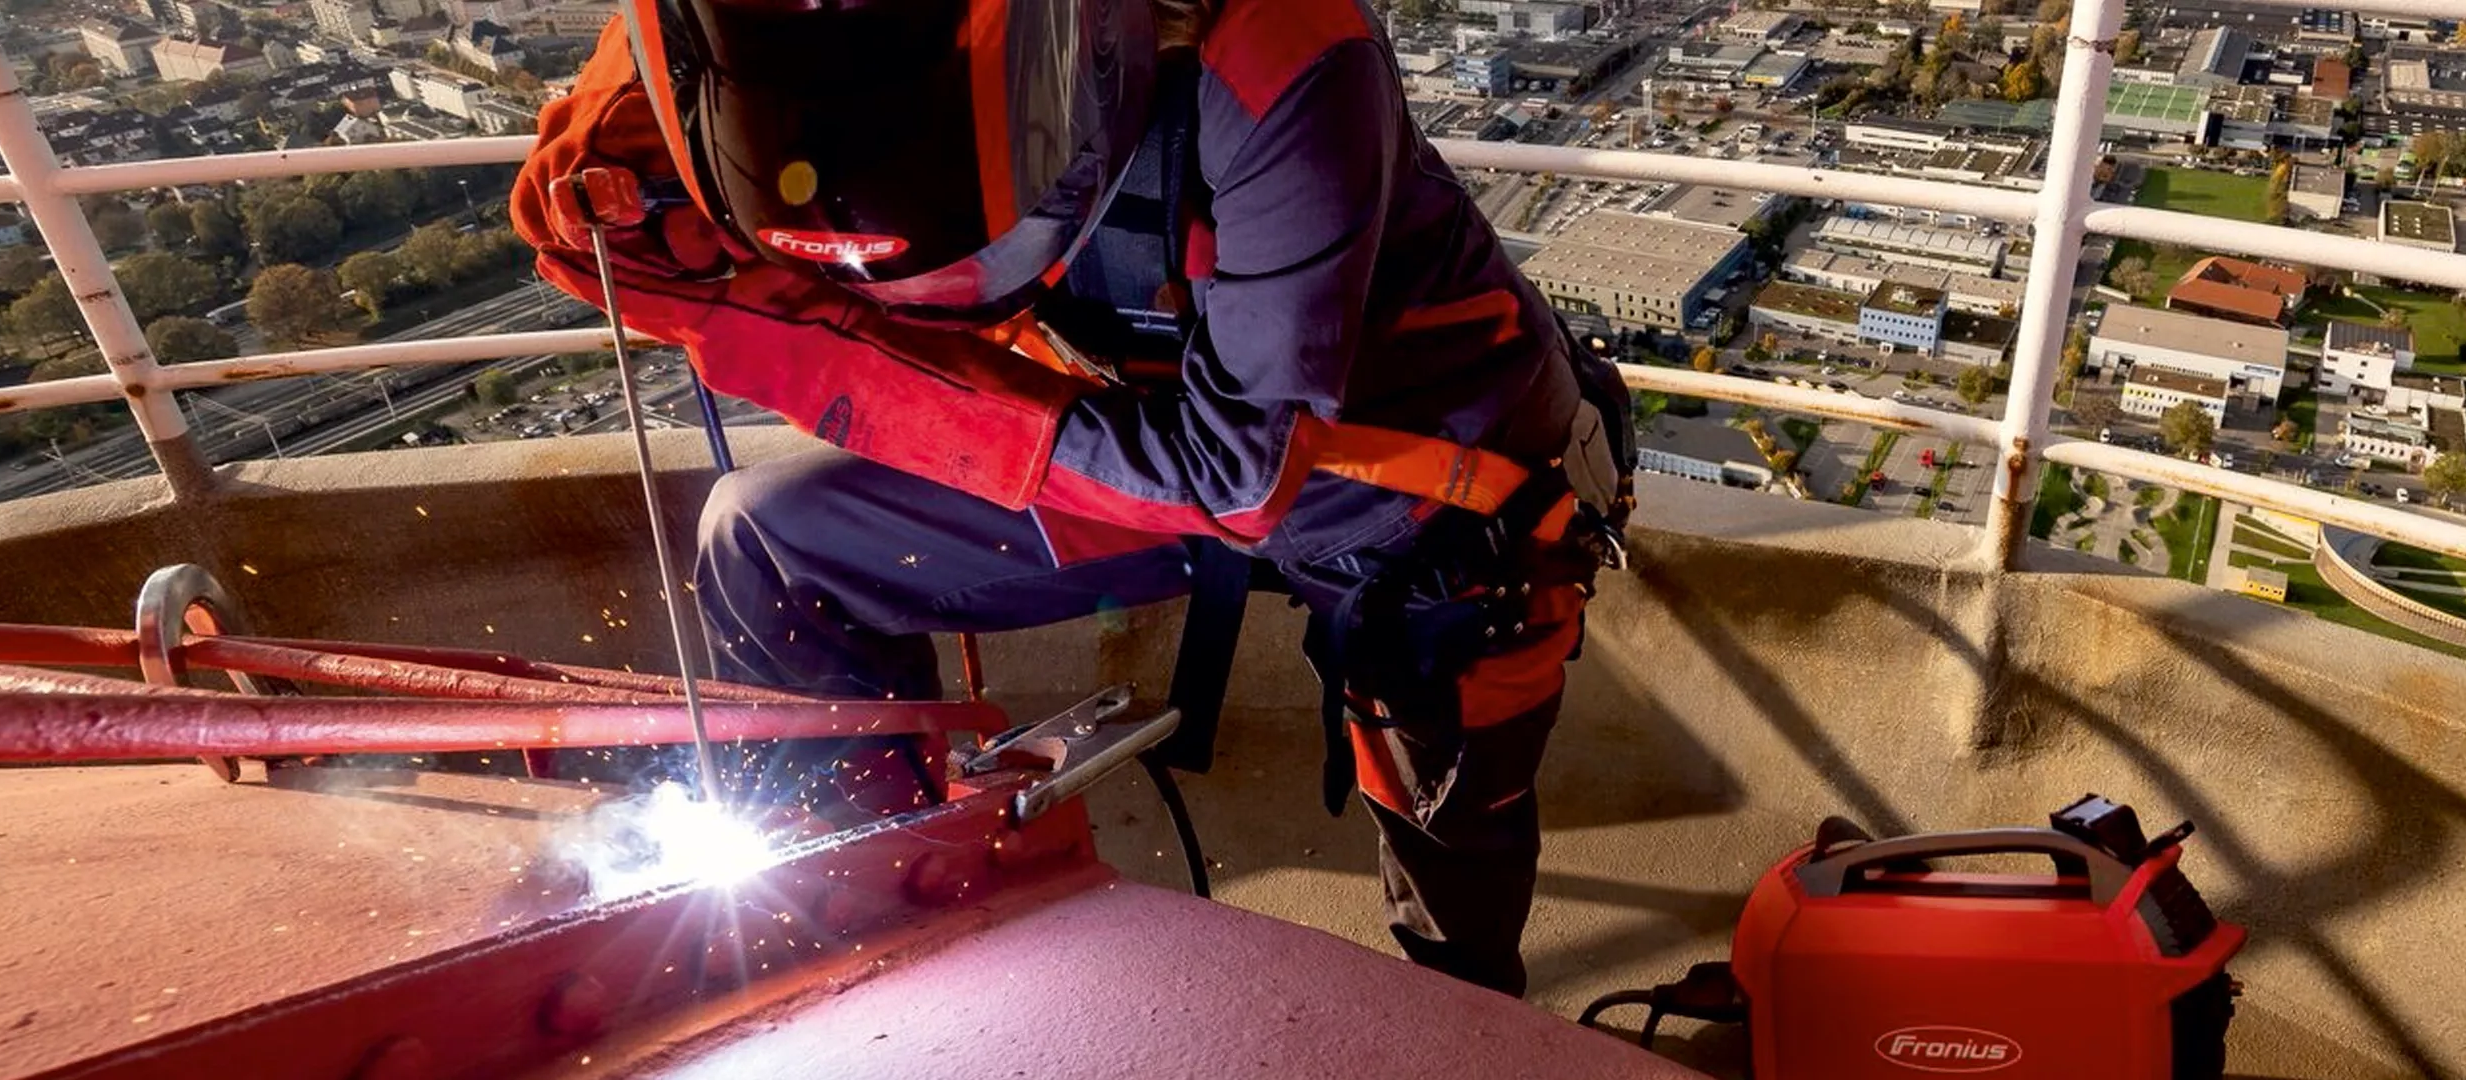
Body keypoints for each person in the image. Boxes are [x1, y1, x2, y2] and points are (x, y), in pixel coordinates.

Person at [513, 0, 1629, 997]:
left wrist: (809, 349)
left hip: (1419, 497)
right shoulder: (783, 34)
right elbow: (682, 90)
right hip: (1136, 432)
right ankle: (876, 917)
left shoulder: (1283, 51)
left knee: (1451, 849)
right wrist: (627, 175)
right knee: (767, 538)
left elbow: (1238, 475)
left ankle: (1470, 1021)